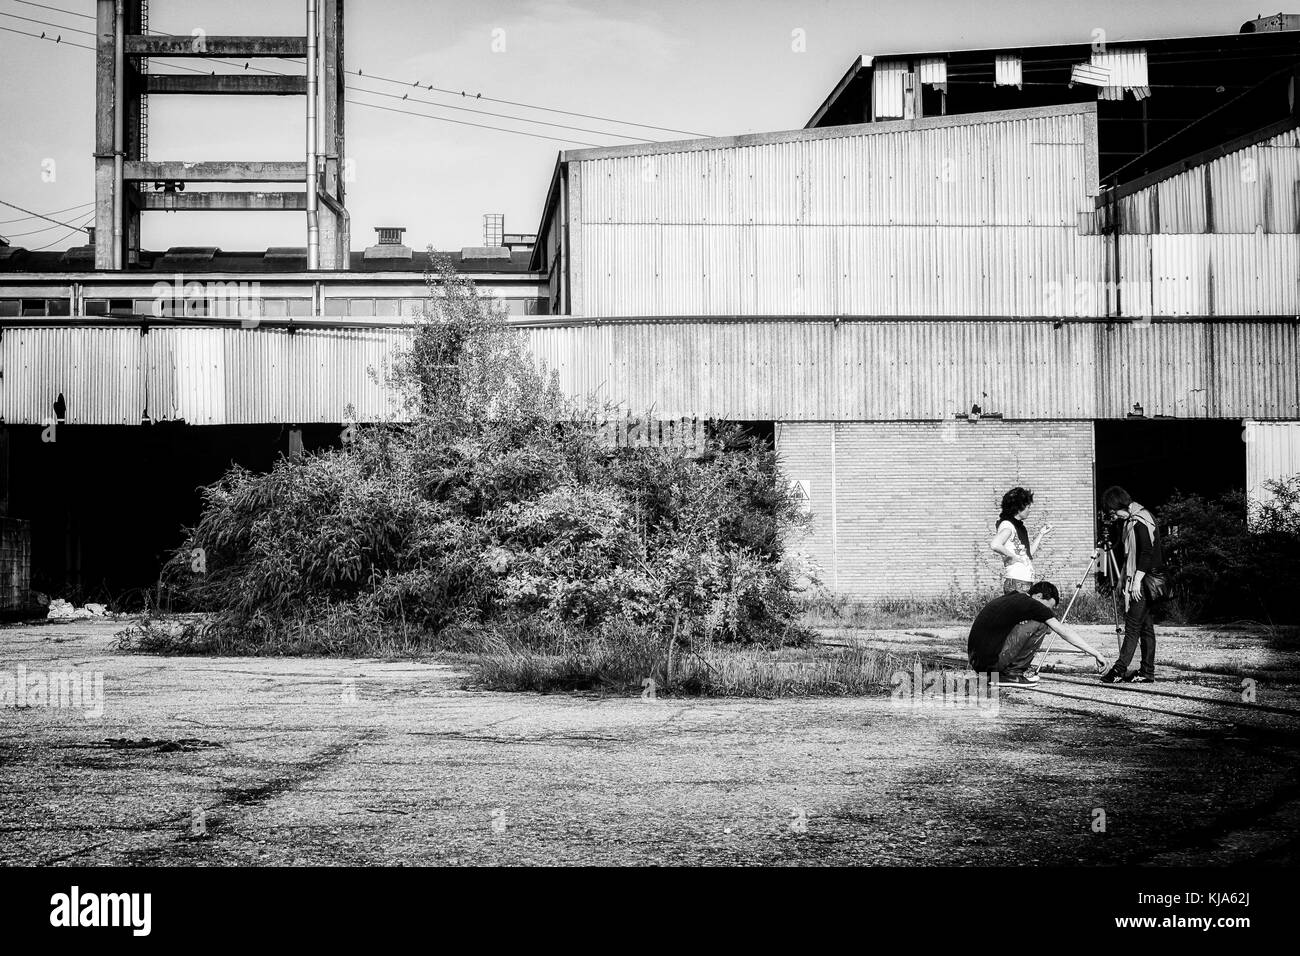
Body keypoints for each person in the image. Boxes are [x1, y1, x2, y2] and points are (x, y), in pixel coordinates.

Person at [967, 581, 1111, 686]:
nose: (1047, 611)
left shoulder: (1014, 598)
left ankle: (1001, 674)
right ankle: (1012, 675)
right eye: (1049, 607)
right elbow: (1064, 631)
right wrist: (1096, 653)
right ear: (1039, 596)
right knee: (1042, 624)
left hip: (979, 663)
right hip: (991, 666)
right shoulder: (1032, 604)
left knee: (1041, 624)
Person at [1098, 486, 1163, 684]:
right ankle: (1146, 673)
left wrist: (1136, 581)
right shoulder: (1136, 518)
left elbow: (1146, 553)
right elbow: (1130, 553)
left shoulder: (1138, 522)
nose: (1113, 516)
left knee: (1133, 626)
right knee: (1145, 627)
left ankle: (1119, 670)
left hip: (1143, 580)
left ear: (1120, 505)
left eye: (1113, 511)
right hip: (1145, 578)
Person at [990, 487, 1053, 594]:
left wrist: (1041, 534)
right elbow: (995, 544)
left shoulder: (1018, 527)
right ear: (1019, 508)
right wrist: (1012, 556)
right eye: (1028, 507)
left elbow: (1028, 554)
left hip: (1022, 581)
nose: (1030, 510)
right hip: (1017, 582)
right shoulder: (1008, 526)